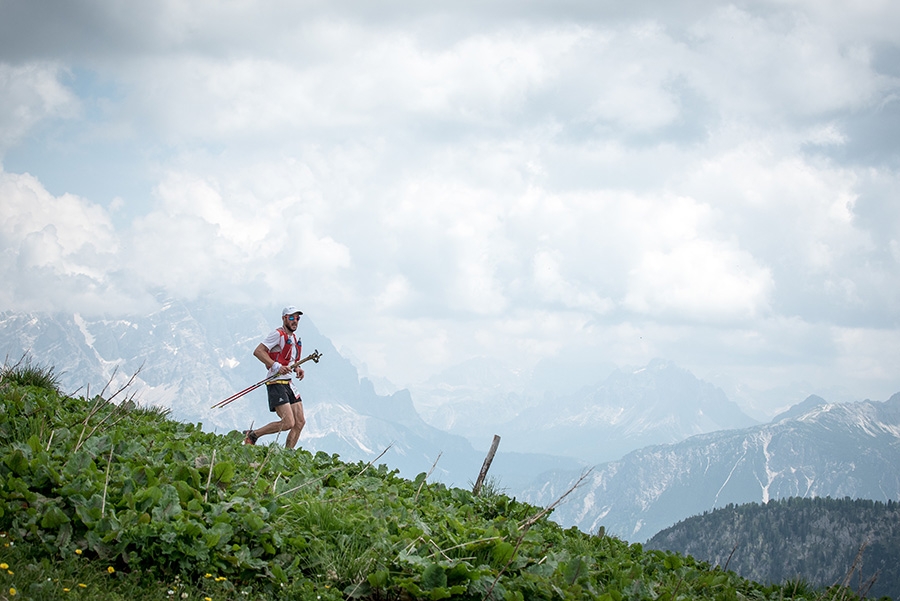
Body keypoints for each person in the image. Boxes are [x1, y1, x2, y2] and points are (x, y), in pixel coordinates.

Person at [243, 306, 307, 448]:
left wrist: (297, 368)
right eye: (291, 317)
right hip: (276, 382)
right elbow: (258, 351)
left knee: (300, 422)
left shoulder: (294, 338)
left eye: (297, 318)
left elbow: (290, 360)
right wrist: (276, 366)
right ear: (284, 318)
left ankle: (287, 455)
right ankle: (253, 435)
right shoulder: (277, 334)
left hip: (289, 383)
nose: (295, 321)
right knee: (288, 423)